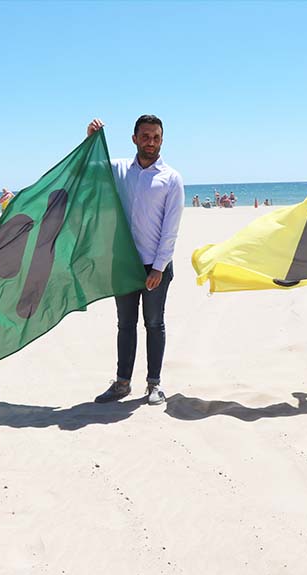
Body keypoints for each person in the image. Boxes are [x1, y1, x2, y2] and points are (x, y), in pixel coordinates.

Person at [87, 115, 184, 406]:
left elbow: (171, 228)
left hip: (155, 265)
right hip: (124, 263)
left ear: (162, 140)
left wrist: (159, 266)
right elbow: (89, 169)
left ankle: (154, 385)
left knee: (154, 323)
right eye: (145, 136)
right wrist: (90, 138)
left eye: (155, 137)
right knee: (125, 324)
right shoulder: (118, 169)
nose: (150, 142)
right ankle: (122, 383)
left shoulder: (171, 178)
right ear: (134, 139)